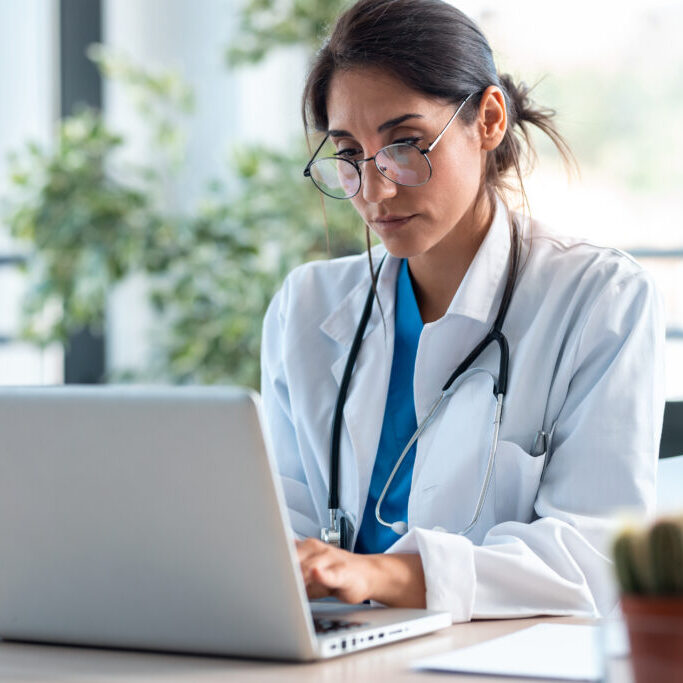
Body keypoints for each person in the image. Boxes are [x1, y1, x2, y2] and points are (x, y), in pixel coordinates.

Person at [260, 0, 665, 621]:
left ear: (489, 119)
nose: (375, 190)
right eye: (348, 155)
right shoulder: (304, 308)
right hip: (334, 649)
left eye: (405, 144)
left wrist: (380, 574)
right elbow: (276, 530)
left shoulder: (599, 299)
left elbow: (593, 555)